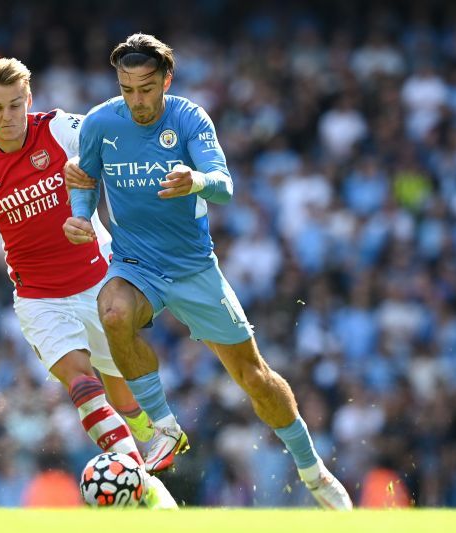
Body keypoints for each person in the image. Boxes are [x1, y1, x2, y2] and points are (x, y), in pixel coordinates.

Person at [64, 34, 352, 509]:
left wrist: (195, 180)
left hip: (194, 268)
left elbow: (224, 186)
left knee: (254, 377)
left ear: (166, 81)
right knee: (112, 313)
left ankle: (312, 469)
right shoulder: (100, 122)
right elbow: (85, 177)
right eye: (127, 89)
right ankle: (164, 427)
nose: (137, 99)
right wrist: (79, 215)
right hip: (135, 263)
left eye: (146, 88)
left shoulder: (190, 118)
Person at [0, 57, 175, 509]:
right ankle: (146, 491)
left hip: (99, 279)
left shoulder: (61, 129)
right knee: (80, 382)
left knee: (123, 391)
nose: (7, 117)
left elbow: (115, 137)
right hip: (38, 295)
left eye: (14, 105)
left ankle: (157, 441)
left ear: (28, 100)